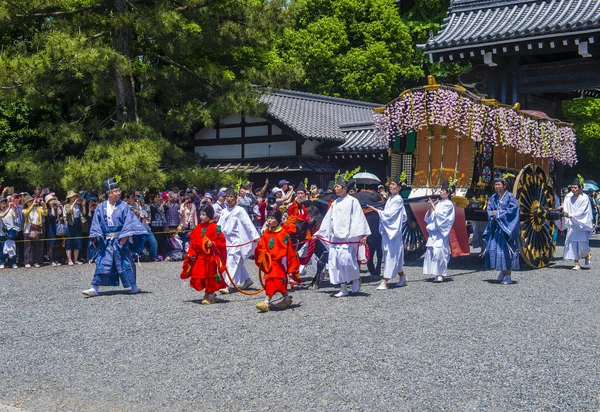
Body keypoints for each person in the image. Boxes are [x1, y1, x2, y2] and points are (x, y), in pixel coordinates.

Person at [82, 177, 148, 297]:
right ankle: (94, 288)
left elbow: (129, 222)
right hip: (106, 241)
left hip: (120, 239)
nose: (118, 193)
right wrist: (96, 237)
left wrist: (126, 236)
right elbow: (96, 224)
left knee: (126, 263)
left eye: (119, 190)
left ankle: (133, 286)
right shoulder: (101, 207)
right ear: (109, 193)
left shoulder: (124, 206)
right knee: (102, 262)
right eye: (115, 191)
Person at [313, 175, 371, 297]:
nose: (335, 189)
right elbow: (328, 219)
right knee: (337, 263)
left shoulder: (353, 201)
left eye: (337, 186)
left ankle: (355, 280)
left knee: (348, 262)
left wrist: (362, 235)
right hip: (336, 238)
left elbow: (358, 218)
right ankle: (343, 287)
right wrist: (319, 233)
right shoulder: (335, 203)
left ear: (344, 188)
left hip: (348, 237)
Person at [254, 210, 300, 312]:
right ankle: (286, 298)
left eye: (272, 218)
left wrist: (291, 266)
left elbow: (288, 250)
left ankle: (266, 302)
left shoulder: (283, 233)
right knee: (274, 281)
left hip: (278, 262)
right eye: (269, 218)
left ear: (278, 220)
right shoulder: (266, 232)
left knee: (273, 280)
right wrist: (261, 251)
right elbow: (262, 246)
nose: (269, 220)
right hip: (269, 262)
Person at [181, 205, 228, 304]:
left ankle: (210, 294)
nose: (201, 216)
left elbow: (222, 241)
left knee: (210, 275)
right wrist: (192, 254)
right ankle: (207, 292)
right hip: (201, 257)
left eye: (204, 214)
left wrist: (213, 243)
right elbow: (193, 242)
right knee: (199, 274)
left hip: (211, 257)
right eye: (200, 214)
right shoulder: (198, 228)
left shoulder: (215, 227)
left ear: (210, 215)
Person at [368, 175, 407, 290]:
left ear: (399, 188)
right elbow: (387, 214)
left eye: (393, 184)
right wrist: (381, 212)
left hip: (393, 233)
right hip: (388, 231)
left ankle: (385, 280)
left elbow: (389, 215)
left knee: (391, 255)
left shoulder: (398, 200)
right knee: (391, 255)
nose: (390, 186)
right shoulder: (390, 199)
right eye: (390, 184)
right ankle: (402, 276)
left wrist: (377, 211)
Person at [218, 186, 260, 292]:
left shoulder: (239, 210)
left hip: (237, 239)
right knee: (234, 261)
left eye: (231, 196)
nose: (229, 198)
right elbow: (219, 225)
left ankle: (227, 285)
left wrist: (255, 236)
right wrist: (214, 233)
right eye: (227, 196)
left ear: (235, 198)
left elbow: (248, 224)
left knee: (232, 261)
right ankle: (247, 280)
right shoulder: (223, 211)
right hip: (227, 240)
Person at [482, 177, 520, 285]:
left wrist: (498, 214)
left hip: (506, 229)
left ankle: (508, 275)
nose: (497, 187)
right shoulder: (493, 198)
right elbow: (489, 210)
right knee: (496, 251)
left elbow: (513, 211)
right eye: (496, 185)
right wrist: (493, 215)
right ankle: (502, 271)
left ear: (504, 186)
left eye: (499, 185)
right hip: (497, 228)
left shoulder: (511, 197)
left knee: (507, 252)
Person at [423, 180, 456, 283]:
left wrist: (433, 206)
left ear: (448, 193)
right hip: (434, 232)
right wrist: (431, 206)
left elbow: (443, 217)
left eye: (443, 190)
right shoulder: (438, 203)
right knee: (431, 252)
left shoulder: (449, 204)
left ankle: (441, 273)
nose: (441, 192)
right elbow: (430, 217)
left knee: (440, 252)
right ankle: (436, 272)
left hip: (441, 232)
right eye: (441, 190)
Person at [560, 176, 593, 270]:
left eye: (575, 188)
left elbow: (583, 211)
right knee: (572, 244)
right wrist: (563, 209)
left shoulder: (584, 198)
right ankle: (576, 263)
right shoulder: (568, 196)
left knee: (583, 245)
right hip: (572, 224)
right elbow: (565, 204)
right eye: (572, 187)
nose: (573, 189)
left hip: (581, 224)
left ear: (580, 188)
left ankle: (587, 254)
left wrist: (570, 215)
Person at [22, 194, 48, 268]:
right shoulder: (24, 209)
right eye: (30, 201)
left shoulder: (38, 208)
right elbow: (26, 213)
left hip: (37, 229)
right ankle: (27, 262)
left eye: (32, 200)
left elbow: (45, 213)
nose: (32, 201)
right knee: (28, 247)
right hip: (27, 230)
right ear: (26, 203)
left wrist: (44, 205)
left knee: (37, 246)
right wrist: (32, 206)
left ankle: (36, 261)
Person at [64, 190, 86, 265]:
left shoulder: (78, 205)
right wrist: (73, 203)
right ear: (69, 198)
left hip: (78, 223)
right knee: (70, 242)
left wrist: (83, 205)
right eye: (73, 197)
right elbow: (68, 211)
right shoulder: (67, 205)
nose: (74, 198)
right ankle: (69, 259)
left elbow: (84, 213)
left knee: (78, 241)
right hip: (71, 224)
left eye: (75, 196)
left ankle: (76, 259)